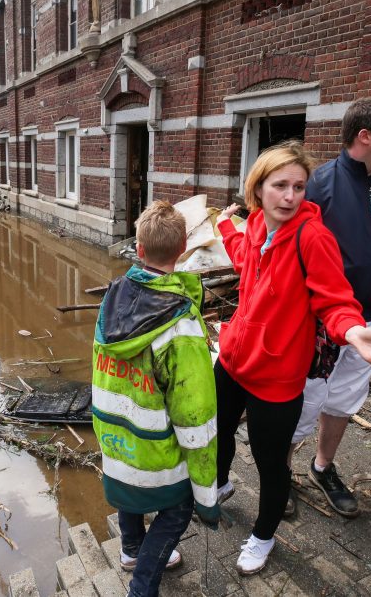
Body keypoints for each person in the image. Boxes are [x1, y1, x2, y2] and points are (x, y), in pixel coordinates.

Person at [214, 143, 371, 575]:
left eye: (299, 187)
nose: (290, 197)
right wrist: (223, 227)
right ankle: (220, 484)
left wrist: (354, 329)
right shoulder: (253, 225)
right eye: (280, 186)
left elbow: (335, 300)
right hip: (233, 359)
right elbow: (244, 257)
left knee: (271, 465)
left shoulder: (313, 237)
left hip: (277, 373)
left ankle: (263, 536)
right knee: (220, 434)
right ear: (258, 189)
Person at [287, 96, 371, 518]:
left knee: (343, 398)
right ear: (366, 136)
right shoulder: (319, 186)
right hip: (321, 325)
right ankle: (280, 471)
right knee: (305, 400)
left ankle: (322, 467)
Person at [92, 200, 220, 597]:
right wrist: (206, 490)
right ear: (183, 248)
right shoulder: (180, 323)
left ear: (139, 249)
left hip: (115, 438)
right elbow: (194, 414)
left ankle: (131, 548)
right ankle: (141, 586)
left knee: (130, 493)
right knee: (177, 510)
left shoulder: (113, 296)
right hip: (157, 450)